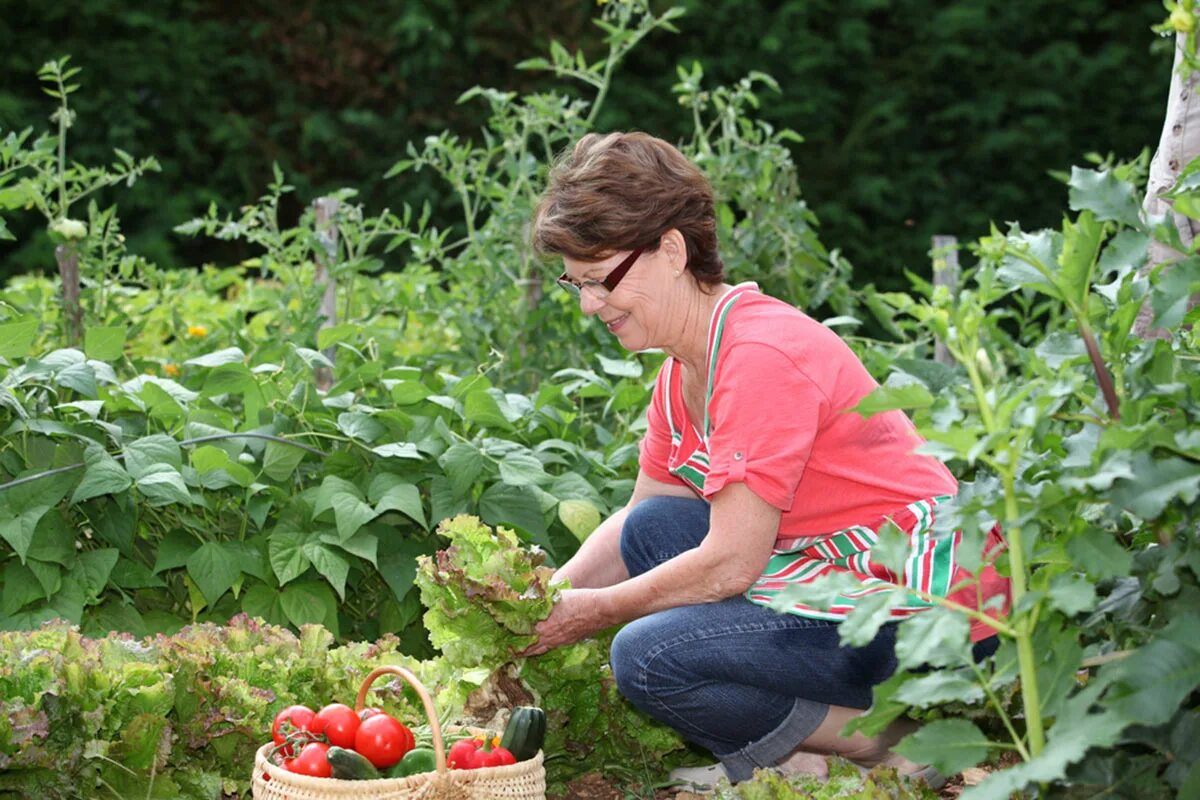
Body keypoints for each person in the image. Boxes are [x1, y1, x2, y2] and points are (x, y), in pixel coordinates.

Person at [524, 131, 1010, 789]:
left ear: (671, 250)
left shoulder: (758, 357)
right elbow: (642, 516)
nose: (588, 304)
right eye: (574, 284)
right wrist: (551, 599)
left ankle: (892, 739)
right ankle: (799, 753)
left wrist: (597, 610)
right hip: (842, 576)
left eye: (599, 279)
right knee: (652, 533)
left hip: (934, 607)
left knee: (645, 655)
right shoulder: (683, 370)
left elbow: (731, 561)